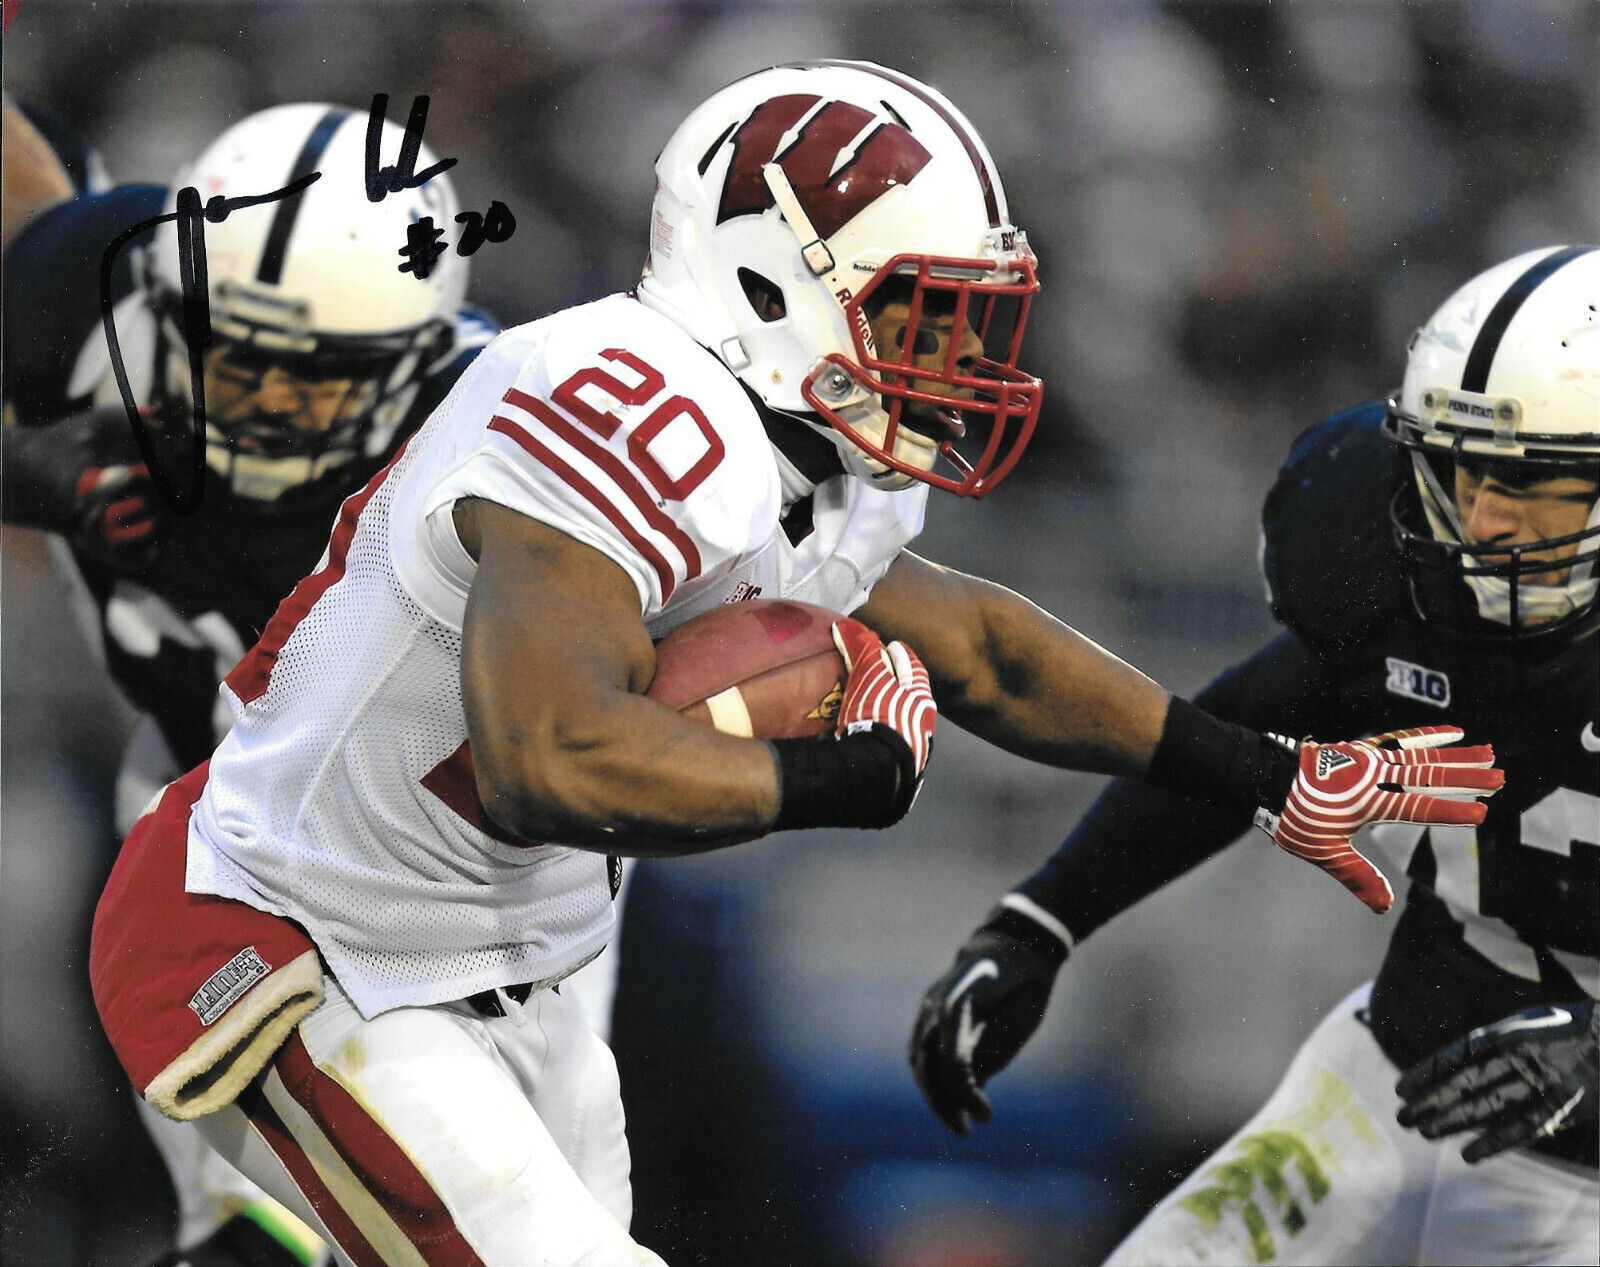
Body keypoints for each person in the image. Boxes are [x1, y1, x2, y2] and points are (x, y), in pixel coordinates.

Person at [86, 62, 1499, 1266]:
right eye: (916, 308)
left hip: (514, 956)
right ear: (766, 278)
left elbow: (987, 653)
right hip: (295, 931)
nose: (950, 349)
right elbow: (544, 756)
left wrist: (1267, 774)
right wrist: (843, 774)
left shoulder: (804, 453)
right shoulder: (616, 401)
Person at [910, 246, 1598, 1265]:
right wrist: (1044, 916)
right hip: (1394, 1076)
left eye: (1534, 483)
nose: (1484, 518)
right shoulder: (1392, 562)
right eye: (1465, 469)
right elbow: (1244, 736)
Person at [3, 102, 498, 1267]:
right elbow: (30, 207)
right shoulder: (90, 298)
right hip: (179, 801)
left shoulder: (489, 469)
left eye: (315, 377)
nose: (267, 402)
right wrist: (31, 470)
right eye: (238, 355)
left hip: (400, 880)